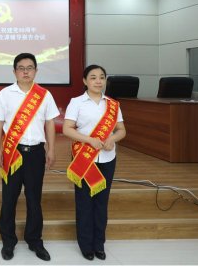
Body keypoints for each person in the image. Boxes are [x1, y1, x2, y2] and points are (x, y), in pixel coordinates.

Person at [0, 53, 59, 262]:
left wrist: (51, 149)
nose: (26, 72)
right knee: (9, 198)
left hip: (36, 153)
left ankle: (34, 240)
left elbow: (50, 123)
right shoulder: (5, 94)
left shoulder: (44, 95)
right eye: (21, 68)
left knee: (34, 199)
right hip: (12, 152)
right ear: (14, 71)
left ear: (36, 71)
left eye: (30, 68)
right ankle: (8, 241)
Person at [62, 64, 126, 261]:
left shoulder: (113, 105)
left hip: (107, 158)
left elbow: (121, 130)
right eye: (93, 77)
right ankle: (86, 245)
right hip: (84, 158)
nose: (98, 81)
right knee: (84, 203)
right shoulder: (77, 102)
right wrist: (89, 140)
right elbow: (67, 129)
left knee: (101, 203)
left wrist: (112, 139)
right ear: (85, 81)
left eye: (102, 77)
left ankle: (99, 244)